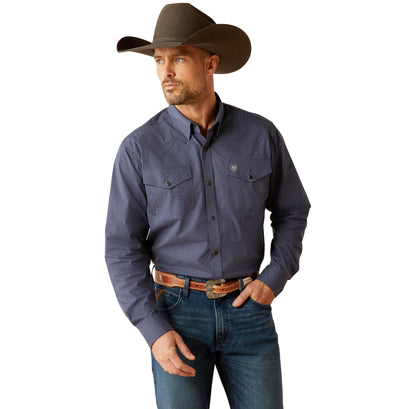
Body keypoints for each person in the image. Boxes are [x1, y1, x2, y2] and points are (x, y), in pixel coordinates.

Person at [105, 3, 310, 409]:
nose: (166, 71)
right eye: (159, 60)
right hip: (175, 315)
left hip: (248, 310)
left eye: (179, 59)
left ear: (211, 63)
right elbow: (121, 246)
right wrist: (152, 329)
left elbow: (292, 210)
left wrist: (275, 275)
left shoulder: (260, 135)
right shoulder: (139, 148)